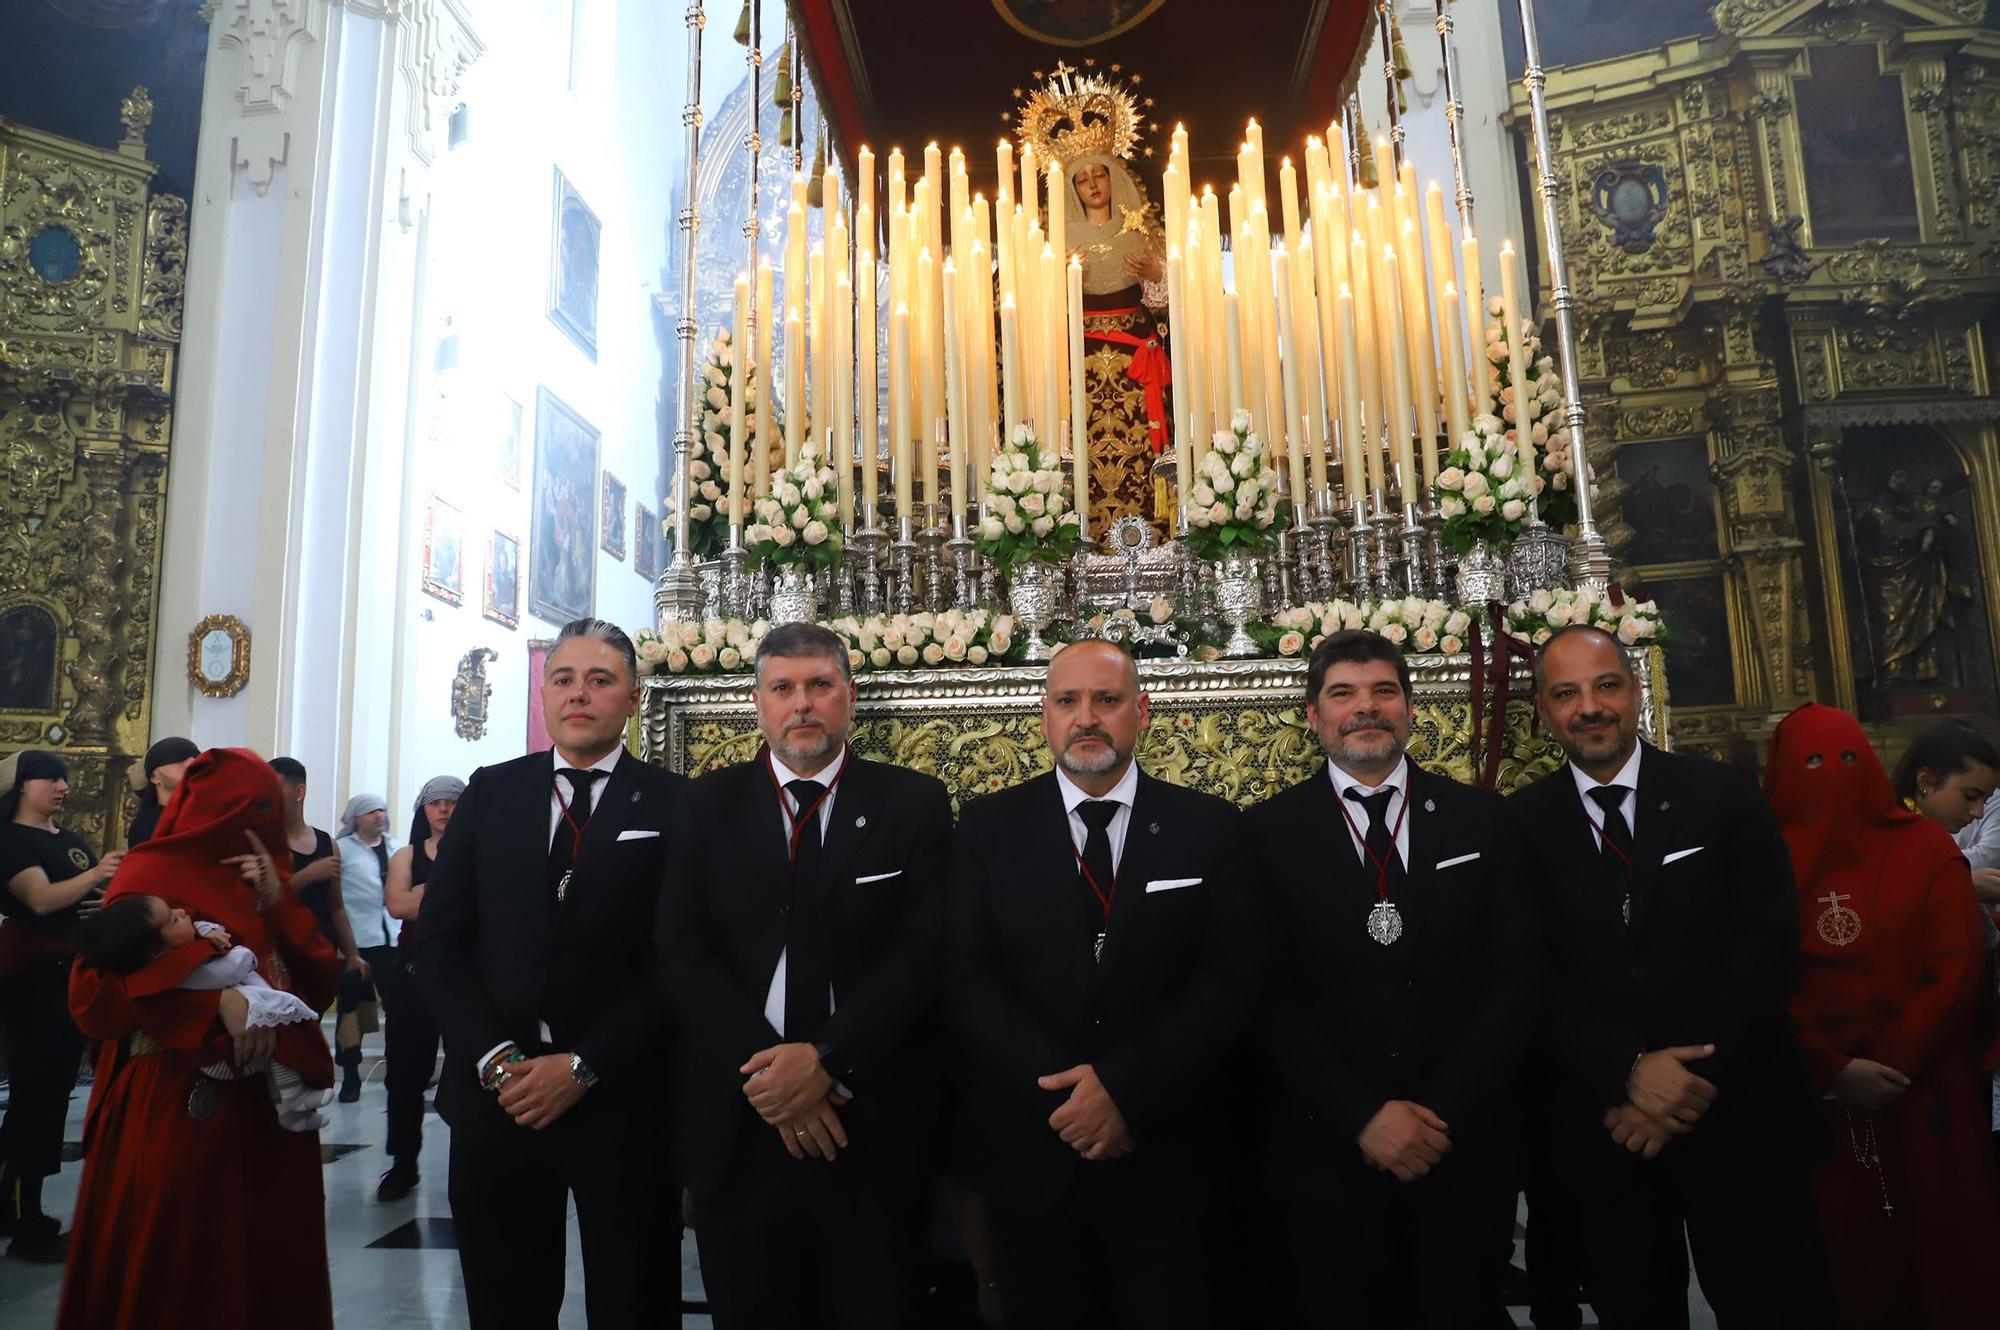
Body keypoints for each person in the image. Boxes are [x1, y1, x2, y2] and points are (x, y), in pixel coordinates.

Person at [1509, 624, 1829, 1326]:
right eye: (1566, 694)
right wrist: (1627, 1071)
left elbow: (1765, 949)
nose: (1589, 706)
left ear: (1636, 692)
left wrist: (1684, 1082)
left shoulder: (1722, 796)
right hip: (1606, 1132)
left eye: (1606, 685)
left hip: (1738, 1112)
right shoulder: (1516, 827)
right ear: (1542, 712)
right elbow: (1523, 977)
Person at [945, 638, 1258, 1329]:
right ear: (1045, 718)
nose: (1087, 717)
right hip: (1036, 1151)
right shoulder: (988, 828)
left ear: (1142, 712)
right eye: (1068, 702)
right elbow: (967, 979)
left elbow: (1230, 980)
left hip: (1169, 1150)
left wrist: (1122, 1089)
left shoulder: (1208, 827)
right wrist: (1068, 1101)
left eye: (1107, 700)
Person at [658, 622, 954, 1328]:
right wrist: (773, 1078)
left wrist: (826, 1060)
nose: (803, 705)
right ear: (756, 703)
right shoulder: (706, 804)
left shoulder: (912, 802)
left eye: (820, 686)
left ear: (849, 697)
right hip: (741, 1119)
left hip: (870, 1120)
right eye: (783, 688)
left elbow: (923, 950)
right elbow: (680, 950)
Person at [1245, 630, 1537, 1326]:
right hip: (1328, 1152)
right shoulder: (1261, 835)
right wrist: (1363, 1115)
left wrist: (1442, 1111)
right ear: (1313, 716)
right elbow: (1261, 996)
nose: (1365, 708)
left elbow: (1518, 975)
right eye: (1342, 694)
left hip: (1460, 1144)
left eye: (1383, 692)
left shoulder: (1483, 821)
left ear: (1410, 708)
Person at [413, 618, 685, 1328]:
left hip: (623, 1100)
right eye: (563, 680)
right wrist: (495, 1059)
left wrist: (587, 1062)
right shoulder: (491, 792)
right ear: (543, 696)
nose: (579, 695)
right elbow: (441, 943)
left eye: (601, 680)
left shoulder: (676, 804)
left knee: (633, 1303)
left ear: (633, 696)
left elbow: (680, 959)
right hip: (497, 1099)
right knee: (507, 1305)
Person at [58, 746, 337, 1329]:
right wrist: (214, 1005)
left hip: (262, 1110)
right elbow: (95, 1000)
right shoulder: (148, 876)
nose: (264, 824)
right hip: (174, 1098)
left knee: (262, 1260)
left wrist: (277, 901)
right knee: (181, 1258)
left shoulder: (260, 874)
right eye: (253, 808)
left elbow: (317, 983)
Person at [1765, 703, 2000, 1327]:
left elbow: (1957, 970)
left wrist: (1887, 1064)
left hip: (1922, 1083)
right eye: (1811, 763)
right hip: (1813, 1092)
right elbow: (1752, 976)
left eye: (1847, 759)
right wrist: (1832, 1067)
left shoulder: (1925, 846)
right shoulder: (1757, 859)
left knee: (1943, 1243)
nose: (1832, 775)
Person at [0, 751, 122, 1261]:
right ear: (23, 786)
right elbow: (43, 900)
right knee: (36, 1095)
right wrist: (96, 875)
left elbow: (80, 899)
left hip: (69, 978)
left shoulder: (68, 842)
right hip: (32, 983)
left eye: (65, 778)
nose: (62, 786)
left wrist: (101, 897)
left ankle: (17, 1205)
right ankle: (25, 1220)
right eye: (50, 778)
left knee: (52, 1094)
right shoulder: (11, 840)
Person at [74, 894, 331, 1131]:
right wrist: (216, 1001)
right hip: (178, 1084)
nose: (183, 913)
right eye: (175, 917)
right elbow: (105, 994)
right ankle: (290, 1097)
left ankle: (290, 1101)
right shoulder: (144, 891)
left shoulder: (259, 864)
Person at [1063, 152, 1172, 536]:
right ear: (1072, 189)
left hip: (1134, 361)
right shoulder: (1062, 238)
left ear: (1114, 180)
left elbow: (1169, 300)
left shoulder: (1139, 231)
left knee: (1143, 452)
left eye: (1099, 175)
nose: (1092, 185)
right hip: (1083, 361)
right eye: (1082, 179)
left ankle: (1151, 537)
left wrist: (1158, 272)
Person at [376, 775, 462, 1201]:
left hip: (466, 976)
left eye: (451, 801)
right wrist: (448, 895)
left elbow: (476, 903)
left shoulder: (478, 851)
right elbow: (396, 905)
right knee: (405, 1075)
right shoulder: (406, 855)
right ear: (423, 810)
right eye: (435, 803)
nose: (443, 809)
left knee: (474, 1069)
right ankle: (403, 1162)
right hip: (412, 976)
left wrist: (423, 895)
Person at [268, 758, 370, 1003]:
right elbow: (262, 902)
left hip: (320, 952)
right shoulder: (265, 844)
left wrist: (352, 954)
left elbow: (336, 907)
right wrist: (308, 874)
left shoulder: (326, 843)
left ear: (299, 792)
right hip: (279, 953)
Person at [333, 790, 397, 1102]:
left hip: (393, 941)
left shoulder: (397, 849)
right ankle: (350, 1077)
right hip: (358, 943)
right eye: (372, 811)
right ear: (357, 817)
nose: (379, 816)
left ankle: (398, 1072)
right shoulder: (341, 849)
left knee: (400, 1009)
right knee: (351, 1011)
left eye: (382, 811)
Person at [125, 735, 198, 846]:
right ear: (155, 777)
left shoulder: (207, 815)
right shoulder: (146, 825)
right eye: (179, 757)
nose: (192, 761)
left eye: (196, 756)